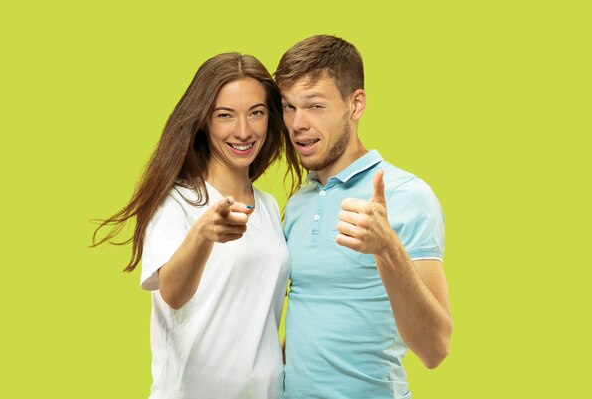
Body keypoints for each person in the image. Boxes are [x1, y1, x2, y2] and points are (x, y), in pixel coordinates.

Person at [92, 53, 301, 399]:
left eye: (256, 113)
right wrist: (203, 234)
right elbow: (172, 294)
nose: (244, 131)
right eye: (225, 116)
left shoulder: (267, 207)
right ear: (204, 121)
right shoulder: (177, 202)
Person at [276, 35, 453, 398]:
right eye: (289, 107)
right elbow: (307, 324)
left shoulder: (406, 195)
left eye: (315, 106)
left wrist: (387, 248)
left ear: (355, 105)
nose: (297, 123)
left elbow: (435, 349)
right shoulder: (298, 203)